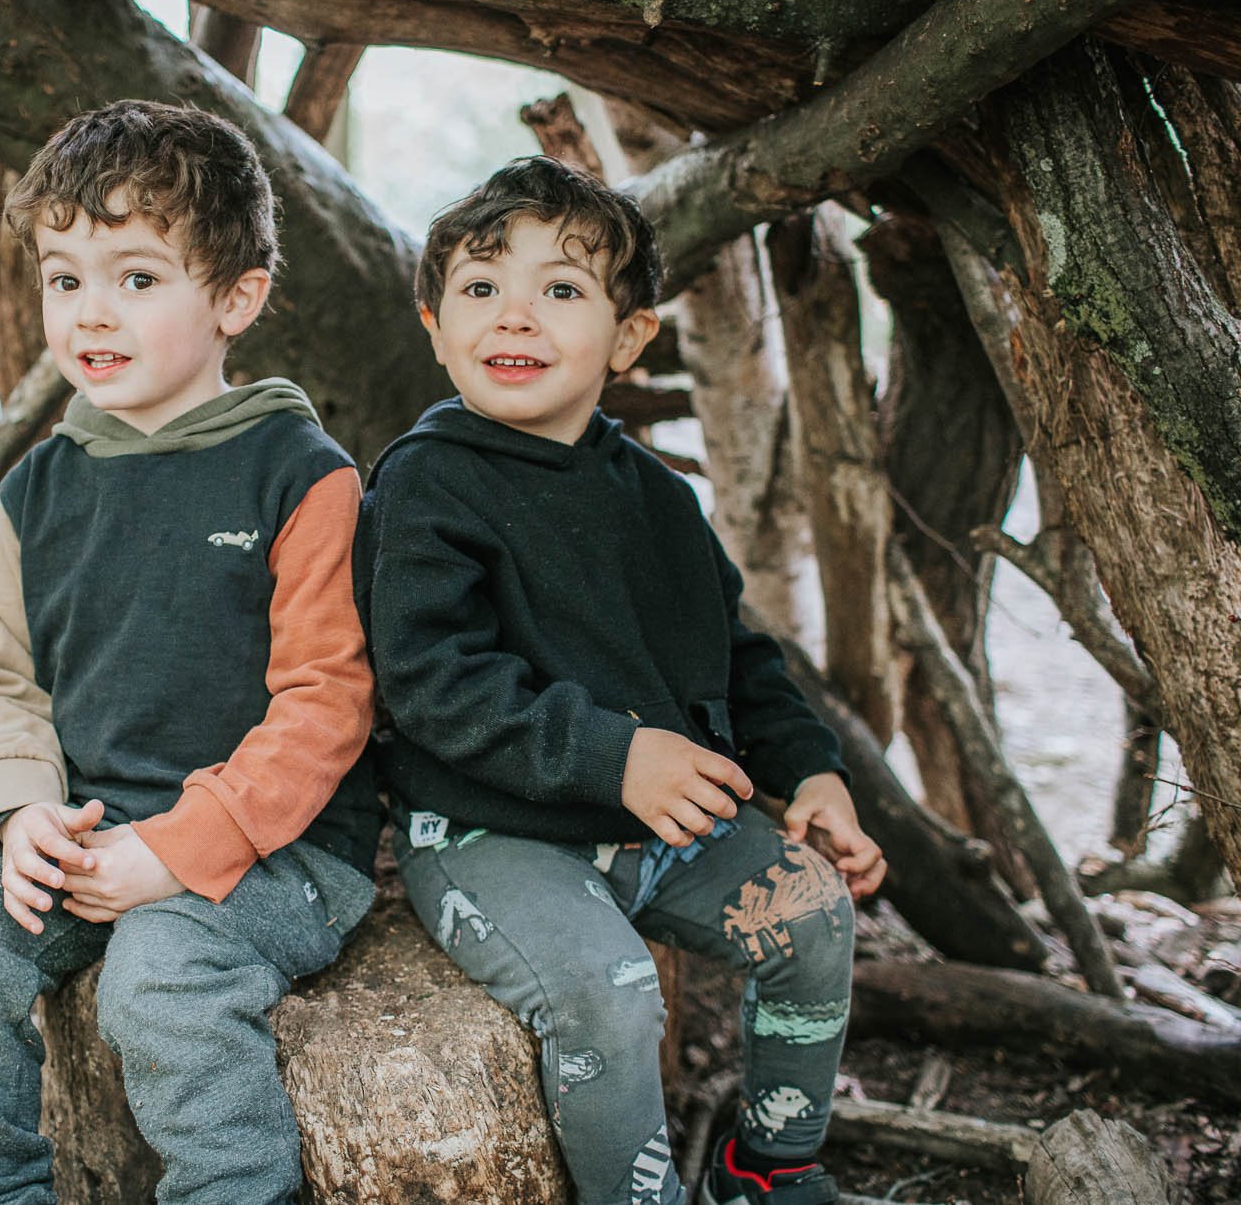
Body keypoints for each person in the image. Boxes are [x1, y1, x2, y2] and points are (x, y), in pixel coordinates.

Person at [356, 156, 886, 1205]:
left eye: (559, 289)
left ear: (629, 335)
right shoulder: (425, 481)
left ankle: (767, 1170)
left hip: (657, 832)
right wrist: (613, 751)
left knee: (813, 912)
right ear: (432, 321)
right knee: (608, 994)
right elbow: (427, 679)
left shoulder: (655, 494)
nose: (515, 317)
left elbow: (736, 656)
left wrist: (811, 774)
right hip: (487, 832)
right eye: (479, 289)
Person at [0, 100, 379, 1205]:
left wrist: (179, 849)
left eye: (136, 277)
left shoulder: (301, 475)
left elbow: (325, 699)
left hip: (282, 852)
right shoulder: (37, 490)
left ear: (235, 298)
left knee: (158, 978)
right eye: (64, 278)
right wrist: (19, 813)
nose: (90, 312)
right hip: (87, 828)